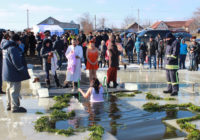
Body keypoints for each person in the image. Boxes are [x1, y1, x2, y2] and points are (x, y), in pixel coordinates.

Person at [2, 33, 30, 113]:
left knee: (8, 88)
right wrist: (22, 69)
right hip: (14, 72)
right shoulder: (13, 48)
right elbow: (16, 61)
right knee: (15, 90)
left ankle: (9, 105)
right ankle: (15, 108)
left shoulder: (5, 47)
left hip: (7, 72)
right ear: (17, 40)